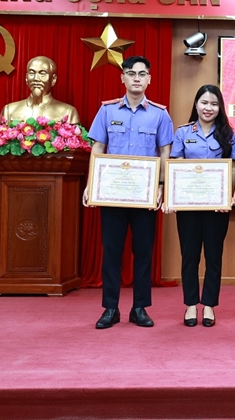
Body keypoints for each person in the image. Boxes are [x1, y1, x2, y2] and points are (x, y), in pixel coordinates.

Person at [84, 56, 173, 329]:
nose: (136, 78)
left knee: (143, 252)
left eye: (142, 74)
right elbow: (98, 149)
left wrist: (161, 187)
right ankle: (110, 308)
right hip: (112, 195)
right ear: (122, 77)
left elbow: (165, 153)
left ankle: (139, 308)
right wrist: (91, 184)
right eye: (131, 73)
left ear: (149, 79)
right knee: (111, 252)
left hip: (145, 197)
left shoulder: (160, 114)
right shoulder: (107, 111)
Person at [167, 84, 235, 328]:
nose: (209, 108)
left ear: (220, 108)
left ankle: (208, 305)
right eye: (204, 103)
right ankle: (190, 304)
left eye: (214, 104)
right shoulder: (182, 133)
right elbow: (175, 167)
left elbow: (234, 169)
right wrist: (172, 198)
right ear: (196, 105)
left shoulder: (228, 134)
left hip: (217, 208)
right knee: (190, 256)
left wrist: (228, 197)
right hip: (188, 207)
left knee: (213, 256)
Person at [0, 55, 80, 124]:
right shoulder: (9, 110)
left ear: (53, 79)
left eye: (42, 73)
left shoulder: (68, 112)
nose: (36, 78)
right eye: (32, 73)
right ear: (26, 78)